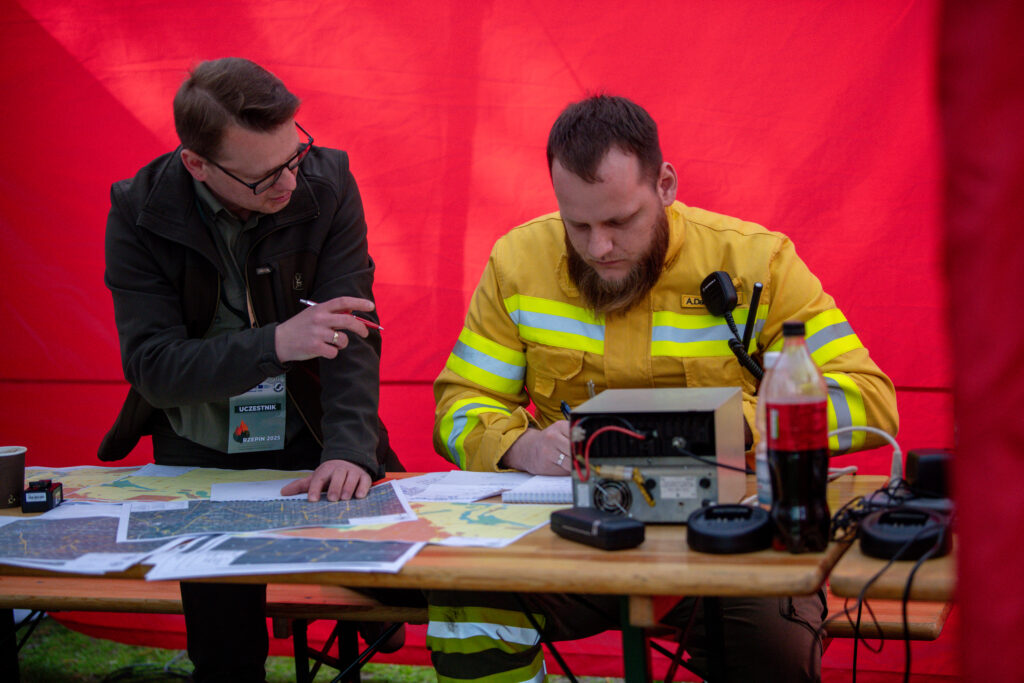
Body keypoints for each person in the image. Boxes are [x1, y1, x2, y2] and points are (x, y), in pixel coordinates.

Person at [429, 95, 898, 682]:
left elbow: (868, 400)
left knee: (775, 653)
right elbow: (459, 405)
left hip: (731, 538)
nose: (599, 248)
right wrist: (522, 447)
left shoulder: (758, 262)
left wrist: (734, 426)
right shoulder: (517, 262)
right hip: (571, 532)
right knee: (467, 602)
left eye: (620, 221)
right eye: (578, 225)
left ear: (666, 185)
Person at [100, 57, 403, 682]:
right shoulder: (139, 211)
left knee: (396, 601)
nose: (289, 183)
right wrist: (277, 343)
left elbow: (352, 331)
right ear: (197, 165)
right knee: (226, 655)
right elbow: (153, 368)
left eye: (295, 155)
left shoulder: (327, 182)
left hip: (309, 430)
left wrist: (349, 451)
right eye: (264, 177)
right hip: (198, 448)